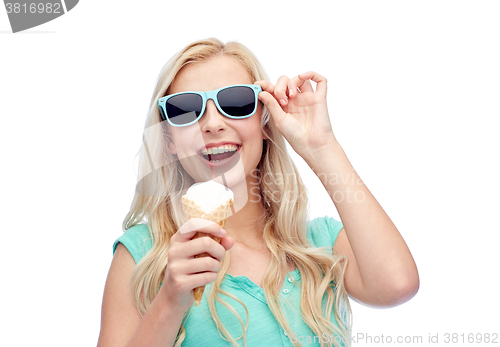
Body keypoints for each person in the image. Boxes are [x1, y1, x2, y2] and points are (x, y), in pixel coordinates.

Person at [97, 38, 419, 347]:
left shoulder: (319, 243)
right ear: (168, 140)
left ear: (265, 123)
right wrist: (170, 300)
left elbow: (397, 284)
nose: (211, 124)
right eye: (185, 109)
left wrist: (321, 146)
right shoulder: (142, 255)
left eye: (235, 102)